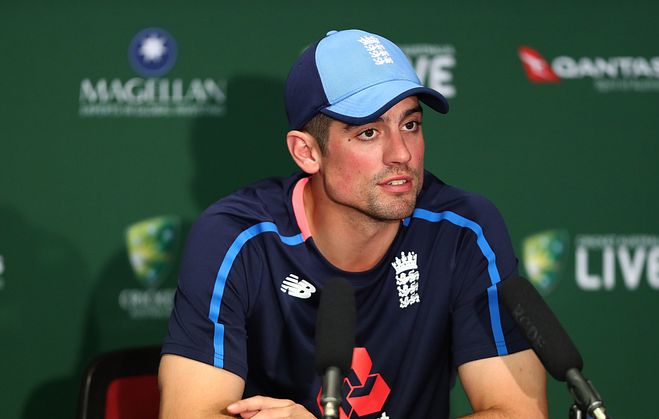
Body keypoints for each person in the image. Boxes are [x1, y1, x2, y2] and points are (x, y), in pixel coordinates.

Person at [159, 29, 547, 418]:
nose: (401, 153)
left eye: (410, 124)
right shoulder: (236, 239)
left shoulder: (464, 229)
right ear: (307, 152)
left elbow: (519, 413)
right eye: (369, 133)